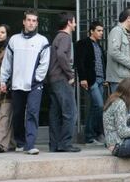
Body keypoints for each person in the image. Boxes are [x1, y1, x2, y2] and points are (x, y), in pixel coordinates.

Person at [0, 9, 50, 155]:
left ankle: (30, 145)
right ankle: (20, 142)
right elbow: (7, 63)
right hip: (16, 84)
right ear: (24, 21)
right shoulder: (14, 40)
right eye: (29, 20)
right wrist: (3, 80)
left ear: (37, 23)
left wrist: (37, 79)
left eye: (34, 20)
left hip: (35, 85)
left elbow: (44, 63)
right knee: (17, 114)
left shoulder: (42, 41)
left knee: (32, 113)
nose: (31, 23)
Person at [48, 12, 81, 152]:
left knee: (55, 114)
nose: (75, 24)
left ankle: (54, 145)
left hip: (53, 79)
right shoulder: (65, 37)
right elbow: (62, 54)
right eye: (74, 21)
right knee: (70, 112)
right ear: (69, 22)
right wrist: (70, 74)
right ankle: (65, 144)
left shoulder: (57, 37)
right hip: (62, 79)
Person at [75, 21, 106, 146]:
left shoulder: (99, 46)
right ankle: (90, 135)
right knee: (98, 105)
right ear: (91, 31)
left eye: (102, 31)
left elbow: (102, 63)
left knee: (96, 107)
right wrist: (82, 78)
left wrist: (105, 79)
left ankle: (92, 136)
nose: (101, 33)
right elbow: (79, 62)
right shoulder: (83, 43)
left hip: (101, 80)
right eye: (98, 30)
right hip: (91, 79)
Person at [0, 24, 15, 153]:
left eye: (3, 32)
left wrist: (9, 83)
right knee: (4, 114)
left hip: (7, 86)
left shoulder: (10, 49)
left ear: (7, 35)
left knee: (5, 114)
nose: (0, 34)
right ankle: (11, 143)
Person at [106, 7, 130, 93]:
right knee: (121, 106)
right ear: (129, 18)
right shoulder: (117, 31)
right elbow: (114, 52)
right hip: (120, 80)